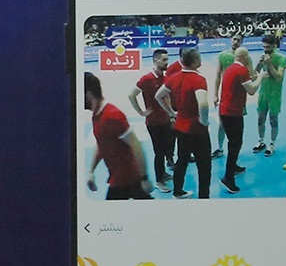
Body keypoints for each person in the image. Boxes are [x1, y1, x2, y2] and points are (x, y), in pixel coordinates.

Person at [156, 46, 213, 199]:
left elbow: (158, 96)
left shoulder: (174, 77)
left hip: (181, 127)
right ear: (195, 61)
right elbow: (203, 104)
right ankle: (204, 197)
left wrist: (171, 113)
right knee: (204, 166)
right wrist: (204, 121)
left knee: (182, 161)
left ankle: (177, 191)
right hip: (197, 130)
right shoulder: (199, 80)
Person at [85, 73, 151, 199]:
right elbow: (101, 142)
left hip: (128, 179)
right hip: (118, 178)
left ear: (88, 95)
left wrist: (144, 178)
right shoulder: (97, 115)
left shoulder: (112, 115)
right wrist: (91, 172)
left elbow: (136, 145)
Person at [129, 47, 175, 190]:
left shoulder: (166, 78)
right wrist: (141, 112)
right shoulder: (147, 79)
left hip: (166, 120)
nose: (167, 62)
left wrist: (171, 114)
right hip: (154, 123)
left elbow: (167, 98)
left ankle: (163, 173)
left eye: (167, 59)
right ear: (156, 61)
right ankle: (159, 181)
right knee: (159, 152)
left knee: (166, 149)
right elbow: (131, 95)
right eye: (164, 60)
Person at [213, 46, 255, 193]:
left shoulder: (230, 69)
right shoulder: (241, 70)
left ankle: (234, 166)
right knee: (235, 143)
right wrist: (262, 77)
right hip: (233, 113)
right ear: (244, 57)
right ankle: (228, 177)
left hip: (226, 110)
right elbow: (252, 90)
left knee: (234, 141)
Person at [253, 32, 286, 157]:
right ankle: (261, 141)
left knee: (273, 120)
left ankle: (272, 144)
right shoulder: (263, 57)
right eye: (264, 47)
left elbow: (279, 77)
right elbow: (254, 74)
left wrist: (269, 64)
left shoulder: (281, 58)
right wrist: (259, 63)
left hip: (275, 95)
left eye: (268, 47)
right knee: (260, 119)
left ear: (274, 45)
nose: (265, 49)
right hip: (263, 93)